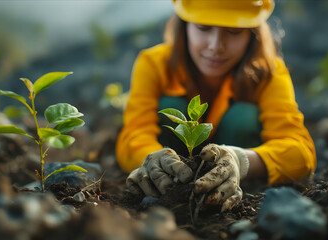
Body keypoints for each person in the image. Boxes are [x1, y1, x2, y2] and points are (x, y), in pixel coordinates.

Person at [115, 0, 316, 212]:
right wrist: (151, 158)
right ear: (184, 26)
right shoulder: (154, 64)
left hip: (241, 186)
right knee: (168, 106)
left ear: (252, 34)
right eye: (203, 28)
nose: (216, 46)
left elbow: (301, 151)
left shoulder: (268, 72)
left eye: (234, 31)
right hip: (169, 184)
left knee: (244, 117)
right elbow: (133, 135)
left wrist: (241, 160)